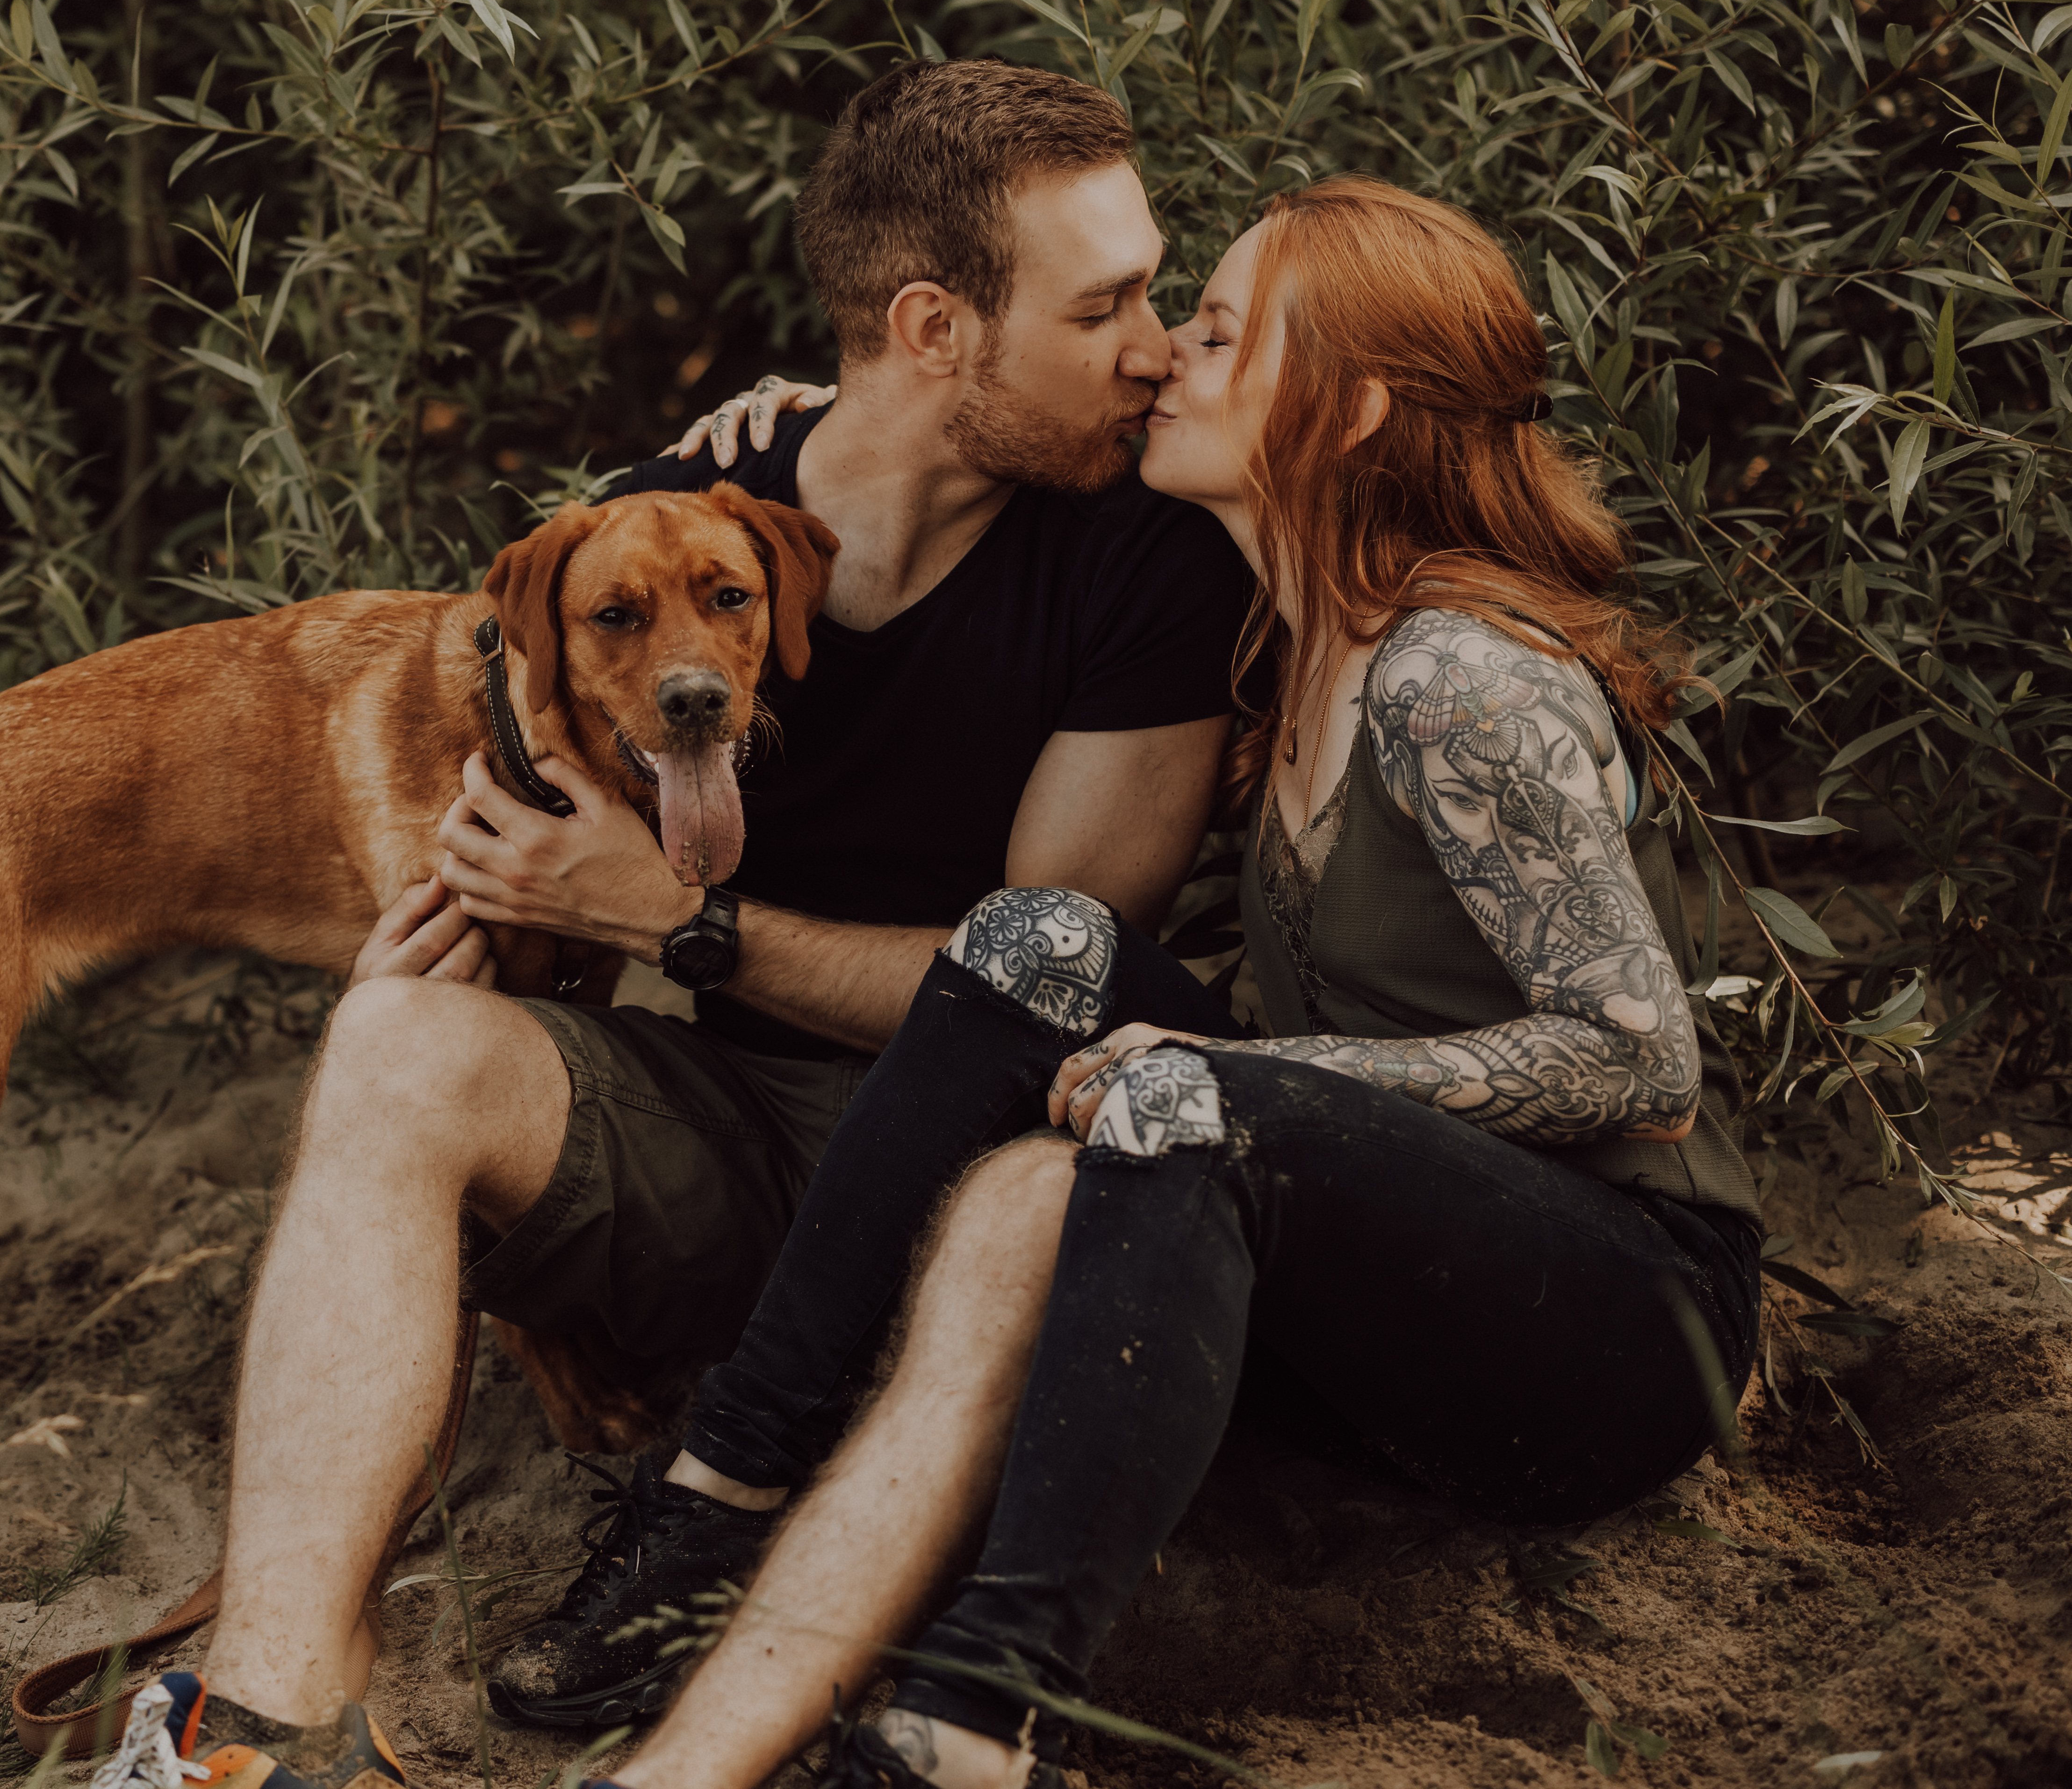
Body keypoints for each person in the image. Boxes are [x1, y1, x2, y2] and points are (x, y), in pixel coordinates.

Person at [87, 59, 1260, 1789]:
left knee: (1016, 1129)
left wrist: (680, 926)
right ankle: (252, 1723)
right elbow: (510, 823)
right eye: (1110, 307)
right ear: (935, 327)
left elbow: (1047, 990)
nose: (1155, 345)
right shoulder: (671, 512)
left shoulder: (1144, 557)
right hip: (733, 1141)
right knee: (396, 1040)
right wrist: (467, 928)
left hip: (981, 1182)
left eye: (1154, 296)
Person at [549, 175, 1763, 1789]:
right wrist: (813, 416)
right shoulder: (1289, 634)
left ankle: (977, 1718)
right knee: (1029, 936)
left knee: (1184, 1089)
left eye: (1211, 331)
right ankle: (722, 1483)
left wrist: (1259, 1082)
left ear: (1351, 412)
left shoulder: (1462, 678)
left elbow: (1640, 1064)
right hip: (1384, 1273)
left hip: (1615, 1330)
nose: (1161, 358)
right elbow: (931, 423)